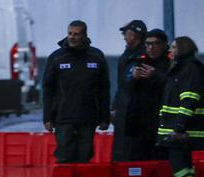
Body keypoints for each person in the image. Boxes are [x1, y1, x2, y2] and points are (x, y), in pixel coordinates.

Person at [42, 20, 111, 164]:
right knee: (64, 158)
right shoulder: (56, 57)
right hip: (63, 117)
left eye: (76, 34)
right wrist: (47, 117)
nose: (72, 37)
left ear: (85, 35)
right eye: (70, 34)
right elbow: (48, 89)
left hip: (88, 117)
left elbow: (104, 89)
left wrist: (105, 117)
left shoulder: (96, 56)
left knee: (85, 157)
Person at [158, 36, 204, 177]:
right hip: (179, 130)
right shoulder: (181, 69)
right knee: (182, 168)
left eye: (175, 47)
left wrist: (179, 127)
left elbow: (189, 99)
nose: (171, 50)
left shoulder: (189, 68)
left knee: (180, 167)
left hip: (182, 131)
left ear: (183, 48)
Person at [124, 29, 170, 160]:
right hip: (139, 122)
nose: (151, 48)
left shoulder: (170, 63)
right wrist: (133, 77)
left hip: (161, 121)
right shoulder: (138, 61)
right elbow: (125, 87)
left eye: (155, 44)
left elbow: (173, 87)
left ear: (164, 45)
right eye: (148, 44)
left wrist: (155, 75)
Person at [111, 20, 147, 161]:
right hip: (123, 111)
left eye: (126, 33)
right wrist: (115, 107)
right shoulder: (126, 55)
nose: (124, 37)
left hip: (138, 114)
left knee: (134, 153)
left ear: (135, 35)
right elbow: (121, 85)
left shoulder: (144, 55)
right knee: (121, 152)